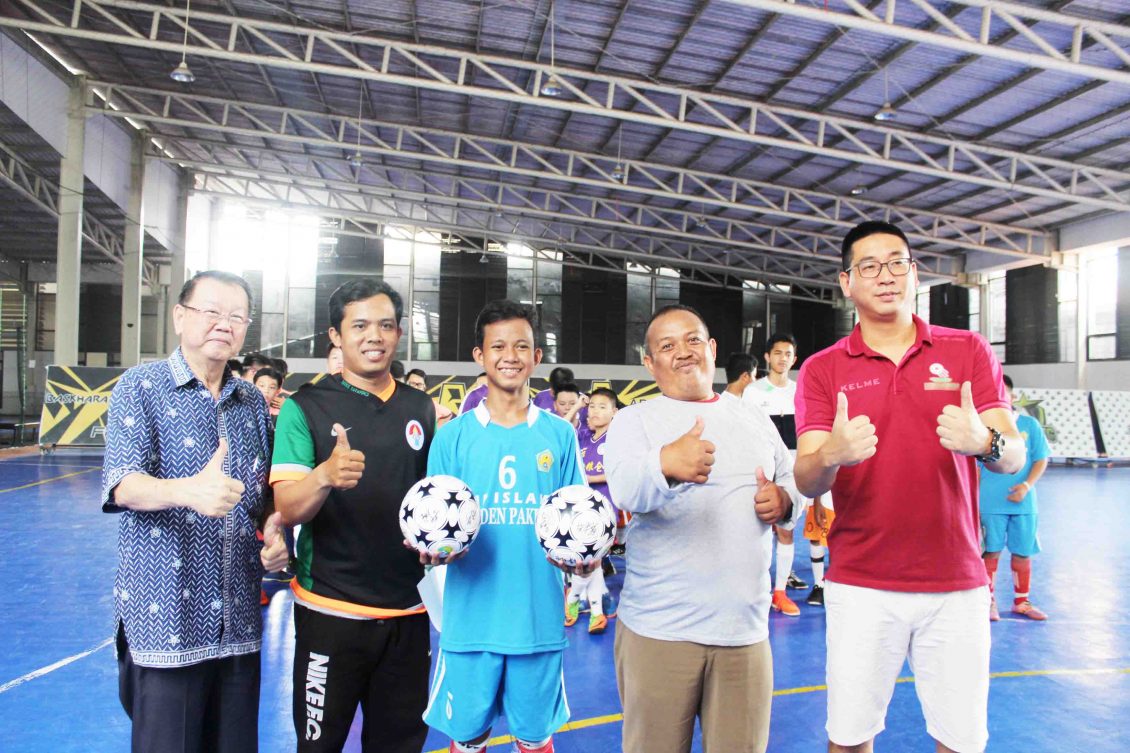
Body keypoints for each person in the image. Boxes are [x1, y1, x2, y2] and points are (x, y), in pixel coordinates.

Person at [794, 220, 1025, 753]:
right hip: (860, 582)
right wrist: (831, 454)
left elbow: (1013, 455)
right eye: (869, 266)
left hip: (956, 582)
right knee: (849, 739)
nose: (886, 276)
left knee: (961, 741)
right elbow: (808, 478)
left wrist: (984, 440)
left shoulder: (968, 350)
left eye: (897, 262)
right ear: (846, 282)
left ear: (915, 274)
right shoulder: (823, 369)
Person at [101, 270, 289, 753]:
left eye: (236, 316)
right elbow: (123, 485)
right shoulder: (140, 387)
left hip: (238, 617)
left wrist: (273, 529)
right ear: (180, 317)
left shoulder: (251, 401)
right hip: (166, 617)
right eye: (211, 312)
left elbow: (264, 493)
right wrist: (189, 491)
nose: (224, 324)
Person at [605, 304, 798, 753]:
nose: (683, 351)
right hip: (659, 632)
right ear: (649, 363)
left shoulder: (752, 417)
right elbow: (625, 490)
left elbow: (789, 478)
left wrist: (785, 500)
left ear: (711, 348)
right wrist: (665, 465)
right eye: (666, 345)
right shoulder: (635, 419)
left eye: (693, 339)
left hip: (744, 632)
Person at [270, 279, 436, 753]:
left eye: (386, 325)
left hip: (408, 611)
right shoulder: (305, 407)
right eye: (359, 326)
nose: (374, 336)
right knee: (319, 745)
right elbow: (287, 509)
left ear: (399, 333)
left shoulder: (420, 407)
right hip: (332, 610)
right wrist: (324, 475)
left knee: (399, 746)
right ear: (336, 336)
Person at [422, 299, 587, 753]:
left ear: (537, 356)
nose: (510, 356)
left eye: (521, 346)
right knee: (468, 737)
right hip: (469, 621)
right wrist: (432, 550)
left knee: (535, 738)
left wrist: (585, 557)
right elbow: (433, 526)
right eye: (498, 346)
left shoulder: (559, 435)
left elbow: (578, 522)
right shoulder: (452, 437)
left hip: (537, 619)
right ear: (479, 355)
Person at [744, 333, 807, 616]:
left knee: (786, 530)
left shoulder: (800, 391)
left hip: (791, 471)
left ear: (794, 359)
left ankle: (779, 592)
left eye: (788, 354)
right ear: (768, 357)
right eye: (778, 353)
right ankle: (754, 588)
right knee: (753, 530)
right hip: (759, 469)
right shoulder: (753, 392)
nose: (783, 358)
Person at [979, 375, 1050, 621]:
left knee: (1023, 553)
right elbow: (973, 467)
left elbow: (1041, 459)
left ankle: (1022, 602)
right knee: (991, 553)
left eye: (1004, 392)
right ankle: (989, 602)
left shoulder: (1030, 425)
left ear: (1012, 396)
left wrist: (1026, 486)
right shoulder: (982, 427)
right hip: (989, 504)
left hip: (1024, 504)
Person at [567, 387, 621, 635]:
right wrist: (577, 407)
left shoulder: (618, 439)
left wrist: (584, 477)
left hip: (605, 510)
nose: (595, 411)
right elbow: (563, 428)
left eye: (602, 406)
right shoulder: (584, 436)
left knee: (591, 559)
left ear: (614, 412)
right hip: (580, 509)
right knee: (589, 561)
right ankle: (598, 604)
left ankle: (580, 603)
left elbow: (614, 473)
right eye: (592, 406)